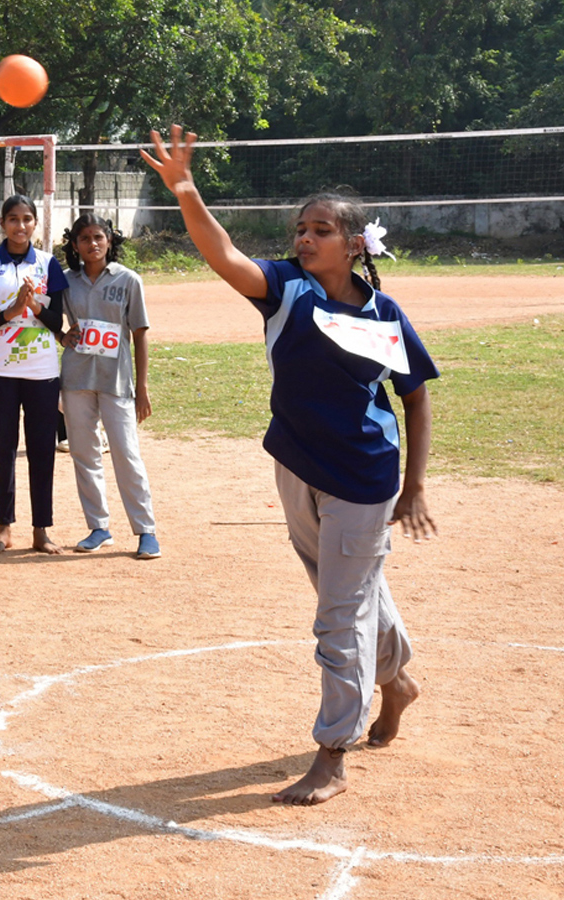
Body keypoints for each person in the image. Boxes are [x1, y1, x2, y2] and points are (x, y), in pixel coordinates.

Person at [142, 126, 438, 805]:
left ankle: (333, 753)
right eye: (301, 229)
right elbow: (223, 254)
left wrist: (415, 484)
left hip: (363, 479)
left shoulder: (384, 314)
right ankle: (396, 681)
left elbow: (415, 396)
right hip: (296, 466)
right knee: (347, 593)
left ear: (355, 244)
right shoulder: (286, 290)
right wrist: (185, 189)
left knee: (339, 614)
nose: (305, 239)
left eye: (321, 230)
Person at [0, 194, 68, 555]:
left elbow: (57, 322)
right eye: (13, 219)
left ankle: (42, 529)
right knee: (4, 449)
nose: (20, 226)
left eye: (27, 219)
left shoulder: (47, 264)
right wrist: (11, 311)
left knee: (42, 449)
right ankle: (4, 528)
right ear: (2, 223)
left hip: (42, 370)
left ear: (35, 224)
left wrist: (35, 306)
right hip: (0, 370)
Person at [59, 213, 160, 560]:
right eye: (85, 239)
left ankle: (146, 531)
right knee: (84, 454)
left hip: (116, 380)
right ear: (75, 246)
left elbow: (140, 334)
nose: (93, 244)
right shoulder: (66, 281)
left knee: (126, 454)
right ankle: (99, 527)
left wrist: (142, 388)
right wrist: (61, 335)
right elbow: (49, 318)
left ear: (110, 240)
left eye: (98, 237)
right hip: (76, 379)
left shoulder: (128, 280)